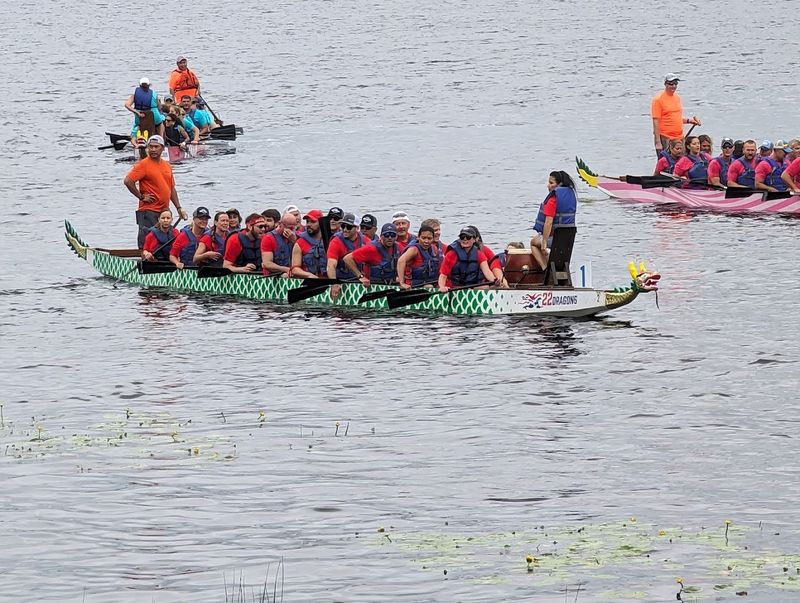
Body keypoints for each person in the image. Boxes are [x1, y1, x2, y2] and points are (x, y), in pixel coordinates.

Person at [123, 135, 187, 248]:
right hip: (148, 211)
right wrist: (141, 197)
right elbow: (128, 181)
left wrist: (179, 208)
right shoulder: (143, 164)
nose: (153, 150)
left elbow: (171, 188)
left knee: (163, 242)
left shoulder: (167, 165)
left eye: (156, 147)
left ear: (162, 148)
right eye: (150, 147)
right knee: (147, 243)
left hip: (163, 211)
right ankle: (145, 261)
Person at [530, 170, 578, 270]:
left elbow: (548, 222)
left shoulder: (552, 199)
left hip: (555, 240)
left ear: (559, 184)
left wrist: (544, 242)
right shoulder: (571, 196)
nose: (548, 186)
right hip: (568, 240)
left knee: (533, 243)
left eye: (551, 183)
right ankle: (552, 271)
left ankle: (545, 270)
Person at [651, 73, 700, 157]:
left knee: (683, 162)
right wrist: (658, 142)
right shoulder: (658, 100)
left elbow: (676, 118)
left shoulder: (677, 98)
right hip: (666, 138)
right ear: (665, 84)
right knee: (666, 164)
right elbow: (656, 122)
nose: (673, 86)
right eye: (671, 84)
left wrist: (690, 121)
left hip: (680, 137)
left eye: (675, 84)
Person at [438, 227, 497, 292]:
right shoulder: (451, 254)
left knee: (486, 287)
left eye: (468, 237)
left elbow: (487, 272)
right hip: (454, 288)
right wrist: (442, 287)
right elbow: (443, 275)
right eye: (462, 237)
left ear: (474, 240)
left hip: (471, 287)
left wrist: (495, 281)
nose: (465, 239)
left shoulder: (479, 254)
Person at [327, 213, 370, 299]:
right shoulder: (336, 241)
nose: (345, 229)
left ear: (357, 228)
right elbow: (330, 265)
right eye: (343, 226)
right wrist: (334, 283)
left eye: (349, 227)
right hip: (342, 280)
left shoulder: (365, 241)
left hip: (359, 280)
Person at [396, 225, 441, 289]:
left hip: (429, 282)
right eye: (423, 238)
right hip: (414, 285)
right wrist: (402, 283)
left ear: (433, 239)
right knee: (429, 286)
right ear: (418, 237)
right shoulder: (414, 250)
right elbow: (401, 261)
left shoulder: (434, 249)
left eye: (429, 238)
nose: (426, 241)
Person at [291, 209, 327, 278]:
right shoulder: (300, 242)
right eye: (307, 222)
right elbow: (295, 269)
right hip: (310, 279)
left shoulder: (329, 240)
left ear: (321, 223)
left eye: (313, 222)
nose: (308, 225)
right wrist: (309, 275)